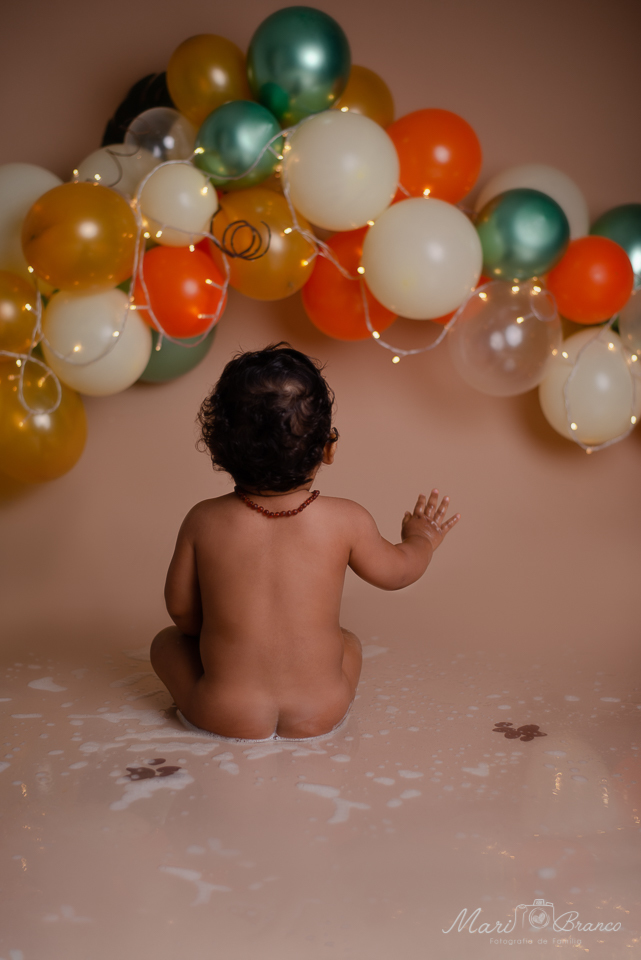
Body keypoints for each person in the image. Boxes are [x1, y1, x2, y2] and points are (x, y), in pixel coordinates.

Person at [150, 343, 460, 741]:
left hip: (224, 711)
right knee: (347, 642)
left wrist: (224, 631)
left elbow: (183, 616)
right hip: (321, 709)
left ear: (219, 450)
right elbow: (398, 572)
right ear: (327, 448)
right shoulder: (346, 519)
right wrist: (422, 538)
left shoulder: (203, 520)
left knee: (167, 644)